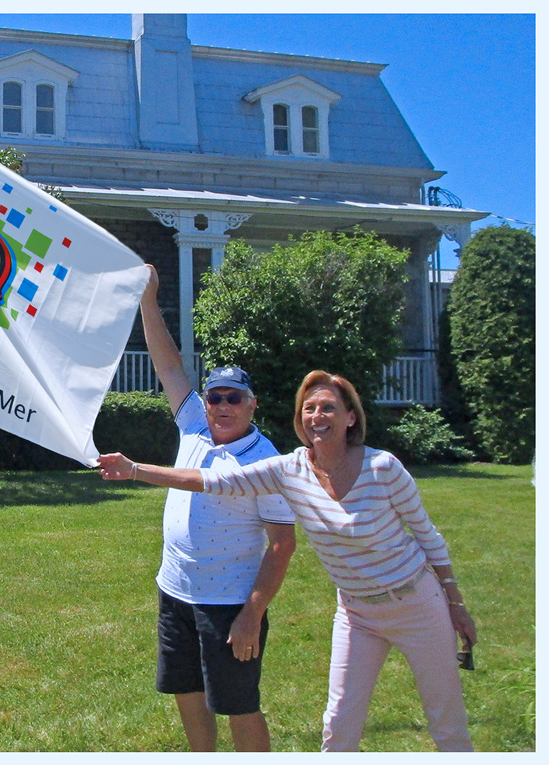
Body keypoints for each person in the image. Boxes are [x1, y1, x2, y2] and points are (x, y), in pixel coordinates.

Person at [98, 369, 477, 752]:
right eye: (309, 408)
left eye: (329, 407)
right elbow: (213, 481)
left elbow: (428, 536)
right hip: (357, 613)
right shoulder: (290, 469)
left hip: (416, 603)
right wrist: (134, 470)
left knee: (447, 725)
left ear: (350, 417)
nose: (317, 416)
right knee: (338, 727)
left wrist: (456, 605)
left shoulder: (383, 468)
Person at [135, 265, 296, 752]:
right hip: (176, 590)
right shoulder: (194, 425)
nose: (222, 405)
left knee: (239, 704)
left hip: (228, 602)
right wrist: (148, 298)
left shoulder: (266, 461)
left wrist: (252, 613)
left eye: (233, 398)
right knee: (186, 690)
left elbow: (282, 543)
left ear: (252, 404)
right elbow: (168, 364)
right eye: (215, 397)